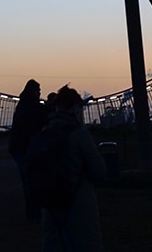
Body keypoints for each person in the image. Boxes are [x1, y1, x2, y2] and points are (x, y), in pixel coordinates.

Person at [26, 84, 106, 252]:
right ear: (76, 109)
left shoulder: (45, 133)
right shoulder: (79, 134)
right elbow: (99, 171)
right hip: (79, 202)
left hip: (51, 204)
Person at [8, 78, 47, 222]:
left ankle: (32, 214)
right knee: (30, 179)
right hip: (22, 147)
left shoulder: (24, 103)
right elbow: (41, 116)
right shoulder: (31, 105)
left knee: (28, 179)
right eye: (38, 91)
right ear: (33, 91)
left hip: (19, 146)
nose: (39, 93)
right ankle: (33, 214)